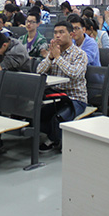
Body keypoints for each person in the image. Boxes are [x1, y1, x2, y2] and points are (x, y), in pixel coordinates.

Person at [36, 21, 88, 152]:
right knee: (37, 113)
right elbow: (39, 71)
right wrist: (50, 58)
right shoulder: (53, 53)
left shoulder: (80, 54)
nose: (57, 36)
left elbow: (74, 73)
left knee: (58, 118)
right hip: (56, 96)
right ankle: (54, 135)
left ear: (71, 34)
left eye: (61, 32)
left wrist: (58, 57)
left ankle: (54, 140)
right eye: (55, 33)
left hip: (74, 98)